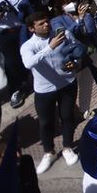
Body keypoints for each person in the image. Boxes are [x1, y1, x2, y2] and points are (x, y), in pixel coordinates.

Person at [19, 10, 79, 173]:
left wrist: (75, 62)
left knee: (67, 116)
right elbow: (28, 63)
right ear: (32, 28)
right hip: (44, 90)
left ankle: (67, 147)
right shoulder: (28, 46)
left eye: (47, 21)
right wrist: (50, 47)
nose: (46, 25)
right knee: (46, 122)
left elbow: (76, 49)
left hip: (67, 83)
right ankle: (49, 152)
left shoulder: (64, 34)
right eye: (41, 23)